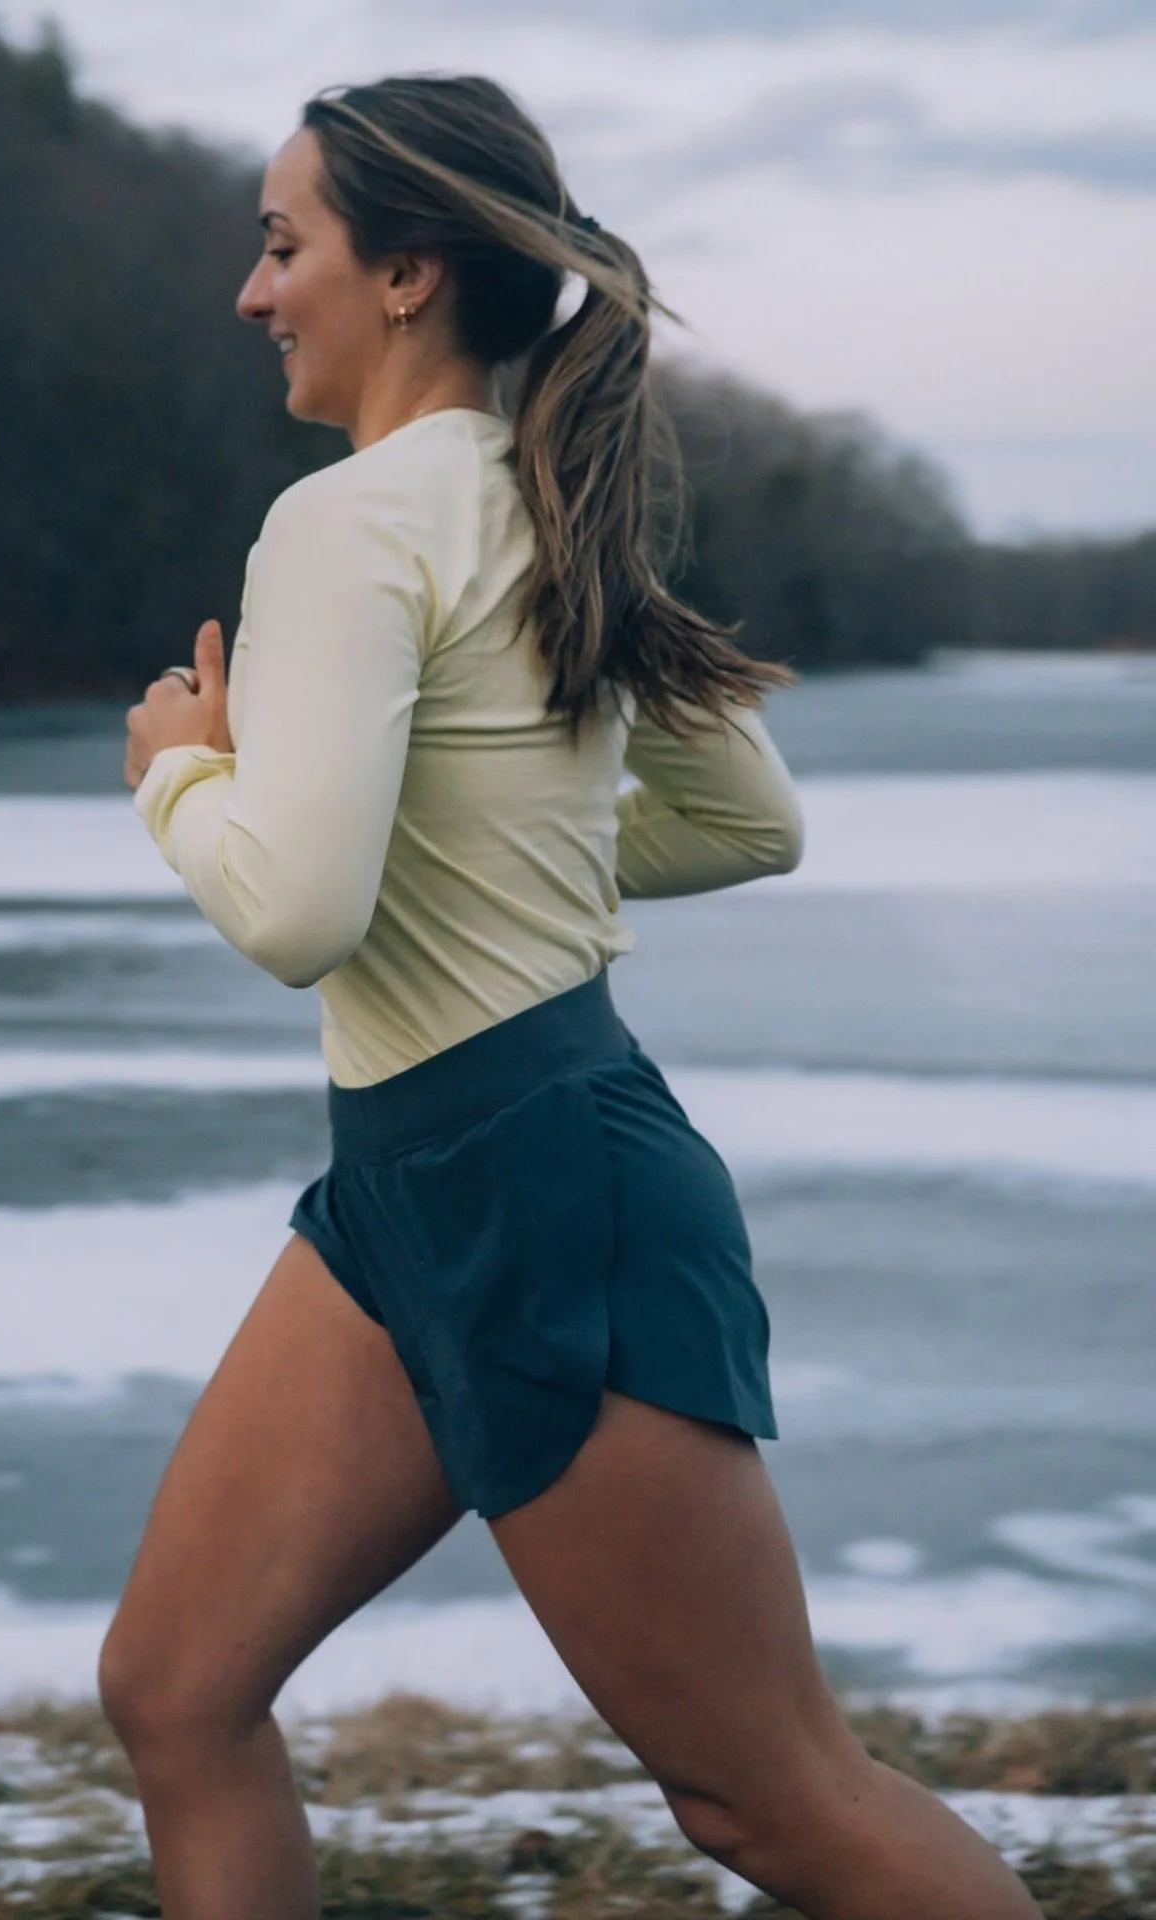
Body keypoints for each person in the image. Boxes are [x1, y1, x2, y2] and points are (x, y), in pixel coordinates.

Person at [104, 72, 1041, 1920]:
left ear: (406, 273)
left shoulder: (346, 524)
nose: (250, 290)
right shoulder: (547, 495)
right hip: (413, 1198)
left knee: (769, 1798)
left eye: (283, 244)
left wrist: (178, 772)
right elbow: (743, 822)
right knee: (177, 1688)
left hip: (539, 1203)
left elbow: (296, 911)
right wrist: (496, 839)